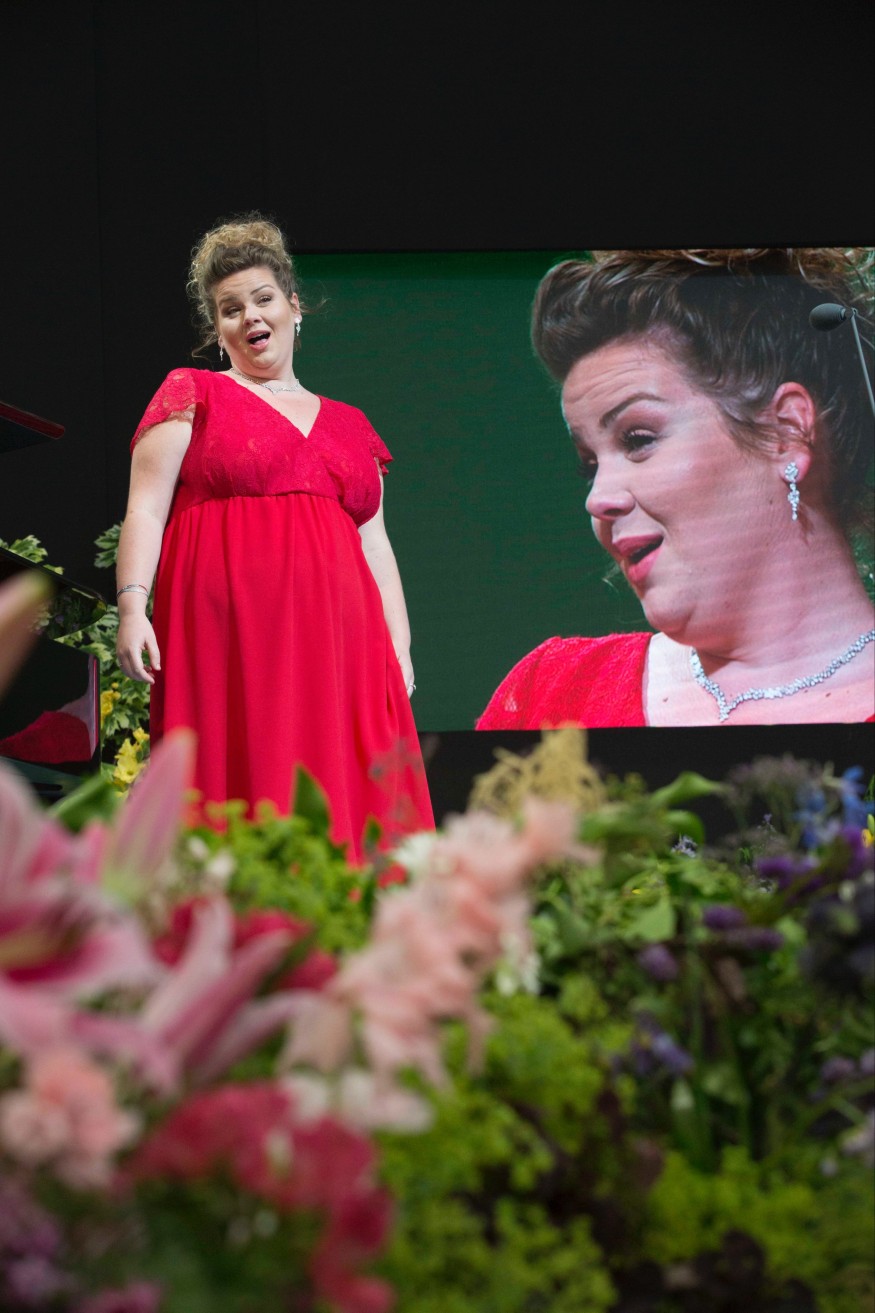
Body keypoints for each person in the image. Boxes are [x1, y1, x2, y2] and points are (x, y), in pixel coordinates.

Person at [116, 214, 434, 857]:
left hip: (340, 645)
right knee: (244, 779)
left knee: (346, 791)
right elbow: (145, 509)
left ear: (294, 307)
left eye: (262, 299)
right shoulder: (195, 393)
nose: (249, 317)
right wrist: (132, 605)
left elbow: (375, 544)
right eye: (230, 310)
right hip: (231, 637)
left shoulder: (350, 424)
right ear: (218, 330)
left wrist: (398, 646)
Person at [477, 248, 875, 728]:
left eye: (638, 439)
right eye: (589, 464)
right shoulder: (550, 696)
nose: (598, 499)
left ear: (785, 432)